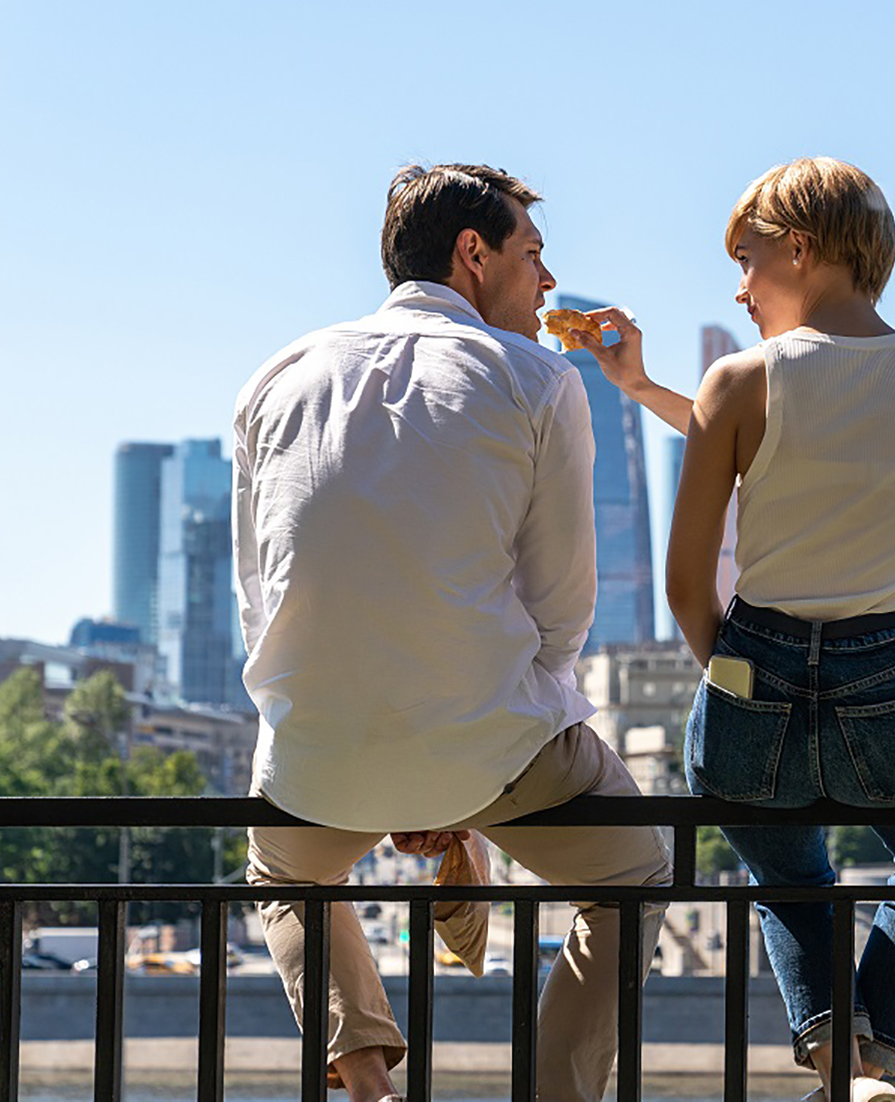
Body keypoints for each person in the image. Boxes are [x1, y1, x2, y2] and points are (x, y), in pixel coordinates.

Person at [234, 162, 671, 1102]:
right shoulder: (540, 380)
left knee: (282, 874)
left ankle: (368, 1090)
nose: (547, 282)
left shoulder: (275, 377)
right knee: (636, 875)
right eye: (534, 252)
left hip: (321, 755)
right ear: (473, 253)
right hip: (495, 745)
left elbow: (260, 600)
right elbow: (562, 617)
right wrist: (469, 768)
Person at [584, 157, 895, 1102]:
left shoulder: (739, 382)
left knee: (788, 868)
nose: (740, 283)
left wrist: (733, 677)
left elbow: (688, 584)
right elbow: (825, 453)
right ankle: (874, 1060)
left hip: (755, 667)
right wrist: (641, 387)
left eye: (749, 258)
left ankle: (839, 1067)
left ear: (800, 249)